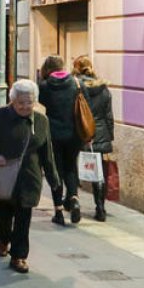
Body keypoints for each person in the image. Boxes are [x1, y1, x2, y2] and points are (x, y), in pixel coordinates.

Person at [0, 79, 62, 274]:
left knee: (23, 218)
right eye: (21, 102)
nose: (25, 106)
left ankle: (19, 256)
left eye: (29, 102)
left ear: (35, 101)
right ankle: (3, 239)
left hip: (29, 177)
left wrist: (54, 180)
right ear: (12, 100)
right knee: (1, 217)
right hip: (2, 177)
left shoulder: (41, 121)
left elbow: (47, 152)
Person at [38, 55, 83, 225]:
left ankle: (58, 211)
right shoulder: (76, 84)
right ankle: (73, 198)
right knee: (71, 166)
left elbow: (41, 103)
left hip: (54, 135)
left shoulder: (44, 86)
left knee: (55, 170)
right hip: (74, 135)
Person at [73, 56, 115, 221]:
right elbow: (109, 116)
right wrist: (109, 137)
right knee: (99, 173)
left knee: (73, 168)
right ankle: (100, 208)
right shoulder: (104, 89)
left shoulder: (76, 88)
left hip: (82, 133)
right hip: (100, 134)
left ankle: (73, 201)